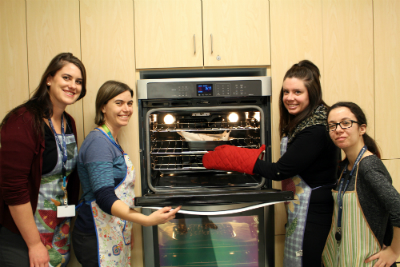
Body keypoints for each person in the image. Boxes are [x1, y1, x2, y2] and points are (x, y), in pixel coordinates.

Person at [203, 60, 339, 267]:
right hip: (302, 207)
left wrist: (232, 156)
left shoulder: (315, 130)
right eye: (286, 92)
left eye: (297, 92)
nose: (290, 98)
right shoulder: (304, 122)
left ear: (312, 93)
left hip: (314, 211)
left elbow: (279, 171)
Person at [72, 80, 181, 267]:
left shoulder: (111, 141)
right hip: (96, 234)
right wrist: (146, 220)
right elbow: (105, 197)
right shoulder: (98, 143)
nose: (127, 109)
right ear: (103, 107)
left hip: (114, 230)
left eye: (129, 103)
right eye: (119, 103)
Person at [0, 52, 87, 267]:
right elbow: (13, 187)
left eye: (79, 81)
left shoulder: (69, 122)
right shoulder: (23, 120)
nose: (73, 86)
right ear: (49, 79)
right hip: (23, 234)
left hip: (59, 227)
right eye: (66, 78)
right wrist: (33, 244)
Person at [322, 102, 400, 267]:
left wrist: (394, 251)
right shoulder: (345, 167)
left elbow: (398, 207)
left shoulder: (368, 166)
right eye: (332, 125)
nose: (338, 129)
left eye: (345, 123)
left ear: (362, 128)